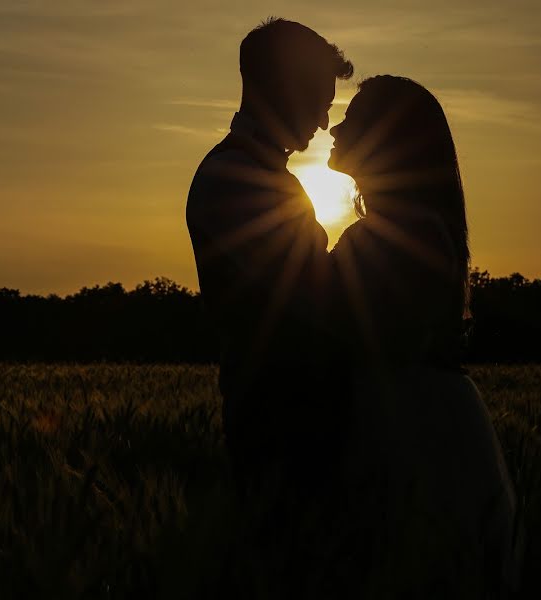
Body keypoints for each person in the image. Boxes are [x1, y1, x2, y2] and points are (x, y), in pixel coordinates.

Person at [327, 75, 522, 598]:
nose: (335, 128)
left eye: (352, 119)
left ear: (384, 140)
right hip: (427, 417)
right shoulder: (415, 225)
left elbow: (348, 335)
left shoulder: (393, 234)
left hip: (409, 426)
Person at [185, 18, 354, 496]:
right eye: (319, 101)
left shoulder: (258, 175)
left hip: (289, 424)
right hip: (282, 431)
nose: (324, 122)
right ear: (283, 86)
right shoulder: (236, 179)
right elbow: (316, 305)